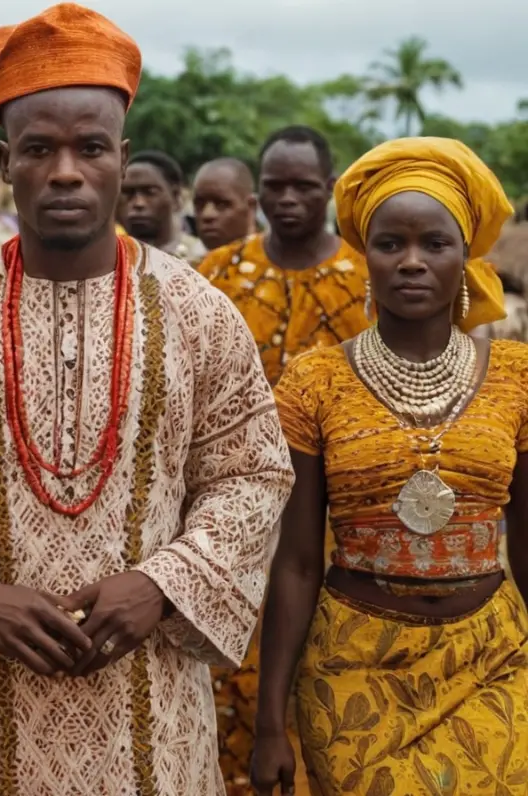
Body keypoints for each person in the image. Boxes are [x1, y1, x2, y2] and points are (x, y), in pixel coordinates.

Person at [0, 5, 295, 794]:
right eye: (38, 149)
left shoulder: (198, 313)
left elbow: (254, 473)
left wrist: (164, 584)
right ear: (4, 162)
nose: (64, 171)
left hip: (152, 712)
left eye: (89, 148)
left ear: (121, 157)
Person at [252, 137, 528, 796]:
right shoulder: (313, 382)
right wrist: (270, 723)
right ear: (363, 254)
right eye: (390, 244)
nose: (411, 262)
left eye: (434, 244)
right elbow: (294, 561)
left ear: (466, 255)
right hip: (354, 668)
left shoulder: (518, 377)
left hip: (493, 658)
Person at [196, 124, 370, 794]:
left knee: (323, 690)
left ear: (329, 189)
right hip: (223, 528)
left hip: (336, 526)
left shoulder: (367, 280)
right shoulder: (214, 277)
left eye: (304, 186)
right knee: (222, 701)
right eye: (275, 186)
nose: (288, 198)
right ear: (257, 189)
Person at [118, 149, 207, 264]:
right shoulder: (104, 262)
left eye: (149, 192)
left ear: (175, 197)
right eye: (128, 193)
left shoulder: (203, 259)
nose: (138, 203)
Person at [191, 157, 257, 252]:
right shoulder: (181, 262)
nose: (207, 214)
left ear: (251, 207)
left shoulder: (274, 263)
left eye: (221, 204)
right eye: (199, 204)